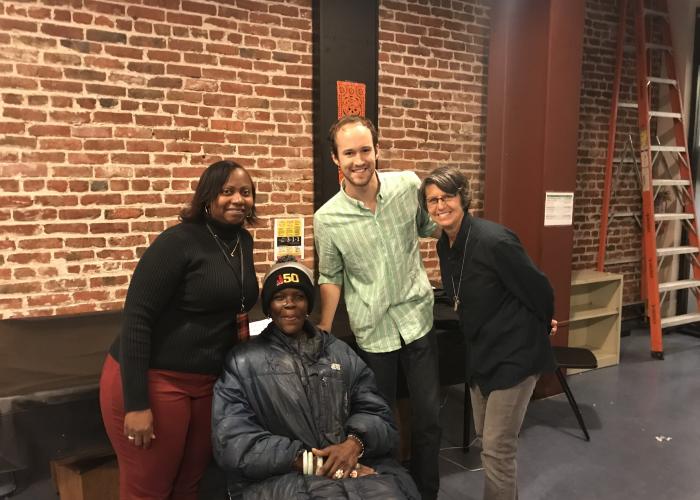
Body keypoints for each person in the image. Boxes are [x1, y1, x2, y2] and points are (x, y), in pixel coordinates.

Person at [99, 160, 260, 500]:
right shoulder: (178, 242)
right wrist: (136, 403)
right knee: (150, 490)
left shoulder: (242, 241)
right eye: (226, 191)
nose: (237, 199)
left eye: (245, 192)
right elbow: (137, 318)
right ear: (207, 197)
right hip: (157, 379)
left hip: (205, 384)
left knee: (189, 484)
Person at [212, 257, 420, 500]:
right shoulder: (242, 362)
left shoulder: (341, 353)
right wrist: (311, 462)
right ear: (268, 306)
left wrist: (354, 444)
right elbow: (233, 440)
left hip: (354, 466)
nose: (290, 304)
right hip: (281, 479)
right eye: (280, 297)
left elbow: (378, 413)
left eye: (298, 297)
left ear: (308, 304)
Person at [313, 115, 441, 499]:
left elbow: (429, 226)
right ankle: (389, 491)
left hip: (417, 319)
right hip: (373, 331)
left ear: (377, 150)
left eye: (365, 150)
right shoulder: (327, 218)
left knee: (429, 419)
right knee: (380, 423)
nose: (359, 160)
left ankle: (426, 492)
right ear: (336, 159)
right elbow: (331, 276)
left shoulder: (407, 186)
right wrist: (324, 326)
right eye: (349, 152)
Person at [420, 165, 557, 500]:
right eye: (432, 200)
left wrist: (542, 323)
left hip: (515, 354)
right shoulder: (444, 245)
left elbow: (540, 290)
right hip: (482, 352)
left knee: (496, 449)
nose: (440, 206)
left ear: (463, 198)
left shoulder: (495, 240)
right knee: (486, 437)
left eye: (447, 197)